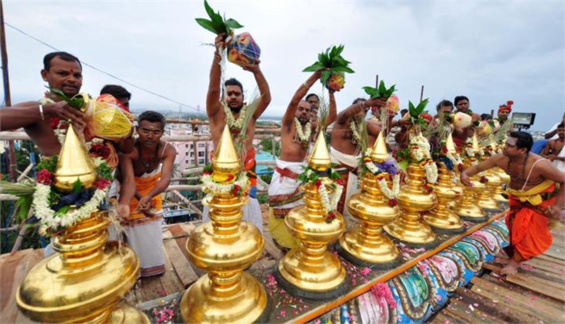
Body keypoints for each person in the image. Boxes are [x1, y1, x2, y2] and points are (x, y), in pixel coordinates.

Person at [461, 131, 564, 275]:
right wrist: (465, 174)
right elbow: (479, 168)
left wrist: (558, 206)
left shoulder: (540, 165)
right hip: (517, 198)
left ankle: (515, 264)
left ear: (522, 150)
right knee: (514, 226)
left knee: (527, 231)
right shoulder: (501, 158)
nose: (504, 147)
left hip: (539, 200)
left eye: (510, 145)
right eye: (506, 143)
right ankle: (512, 258)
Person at [202, 33, 271, 233]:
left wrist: (256, 71)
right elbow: (213, 88)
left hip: (247, 174)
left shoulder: (250, 114)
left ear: (243, 96)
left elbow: (266, 98)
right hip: (220, 177)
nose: (233, 96)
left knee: (248, 223)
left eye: (237, 93)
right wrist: (218, 54)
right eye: (229, 93)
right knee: (219, 224)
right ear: (224, 96)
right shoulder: (216, 113)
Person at [268, 71, 336, 250]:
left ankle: (299, 251)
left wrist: (331, 91)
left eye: (307, 110)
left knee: (300, 216)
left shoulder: (311, 128)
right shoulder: (288, 125)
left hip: (303, 179)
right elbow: (294, 99)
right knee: (281, 217)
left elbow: (332, 118)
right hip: (284, 179)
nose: (304, 112)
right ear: (294, 110)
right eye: (301, 108)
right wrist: (316, 75)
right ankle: (284, 252)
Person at [117, 111, 176, 277]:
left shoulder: (167, 149)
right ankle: (131, 271)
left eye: (156, 132)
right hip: (129, 192)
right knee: (130, 235)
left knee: (151, 232)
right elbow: (128, 180)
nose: (150, 136)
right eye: (145, 131)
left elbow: (166, 178)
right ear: (137, 130)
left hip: (152, 191)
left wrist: (148, 197)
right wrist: (137, 199)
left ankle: (152, 268)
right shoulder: (129, 151)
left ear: (162, 133)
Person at [0, 52, 86, 156]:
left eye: (77, 75)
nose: (72, 79)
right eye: (63, 73)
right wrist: (46, 111)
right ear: (45, 75)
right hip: (55, 172)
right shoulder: (37, 108)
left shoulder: (92, 108)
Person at [330, 97, 387, 217]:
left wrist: (388, 117)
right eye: (359, 108)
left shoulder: (365, 125)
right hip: (337, 169)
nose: (361, 112)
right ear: (352, 108)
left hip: (356, 171)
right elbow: (345, 113)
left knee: (351, 204)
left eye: (365, 111)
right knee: (333, 204)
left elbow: (382, 135)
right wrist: (366, 104)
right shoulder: (341, 122)